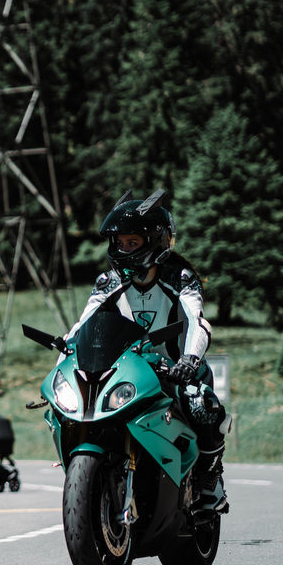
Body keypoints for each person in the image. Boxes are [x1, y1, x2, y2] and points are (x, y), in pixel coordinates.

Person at [64, 189, 229, 519]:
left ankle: (210, 479)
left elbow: (198, 323)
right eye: (120, 243)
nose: (124, 250)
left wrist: (190, 360)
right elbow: (82, 325)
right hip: (129, 367)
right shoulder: (107, 282)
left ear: (156, 241)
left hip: (177, 367)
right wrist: (67, 353)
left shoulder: (180, 278)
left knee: (202, 407)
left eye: (132, 243)